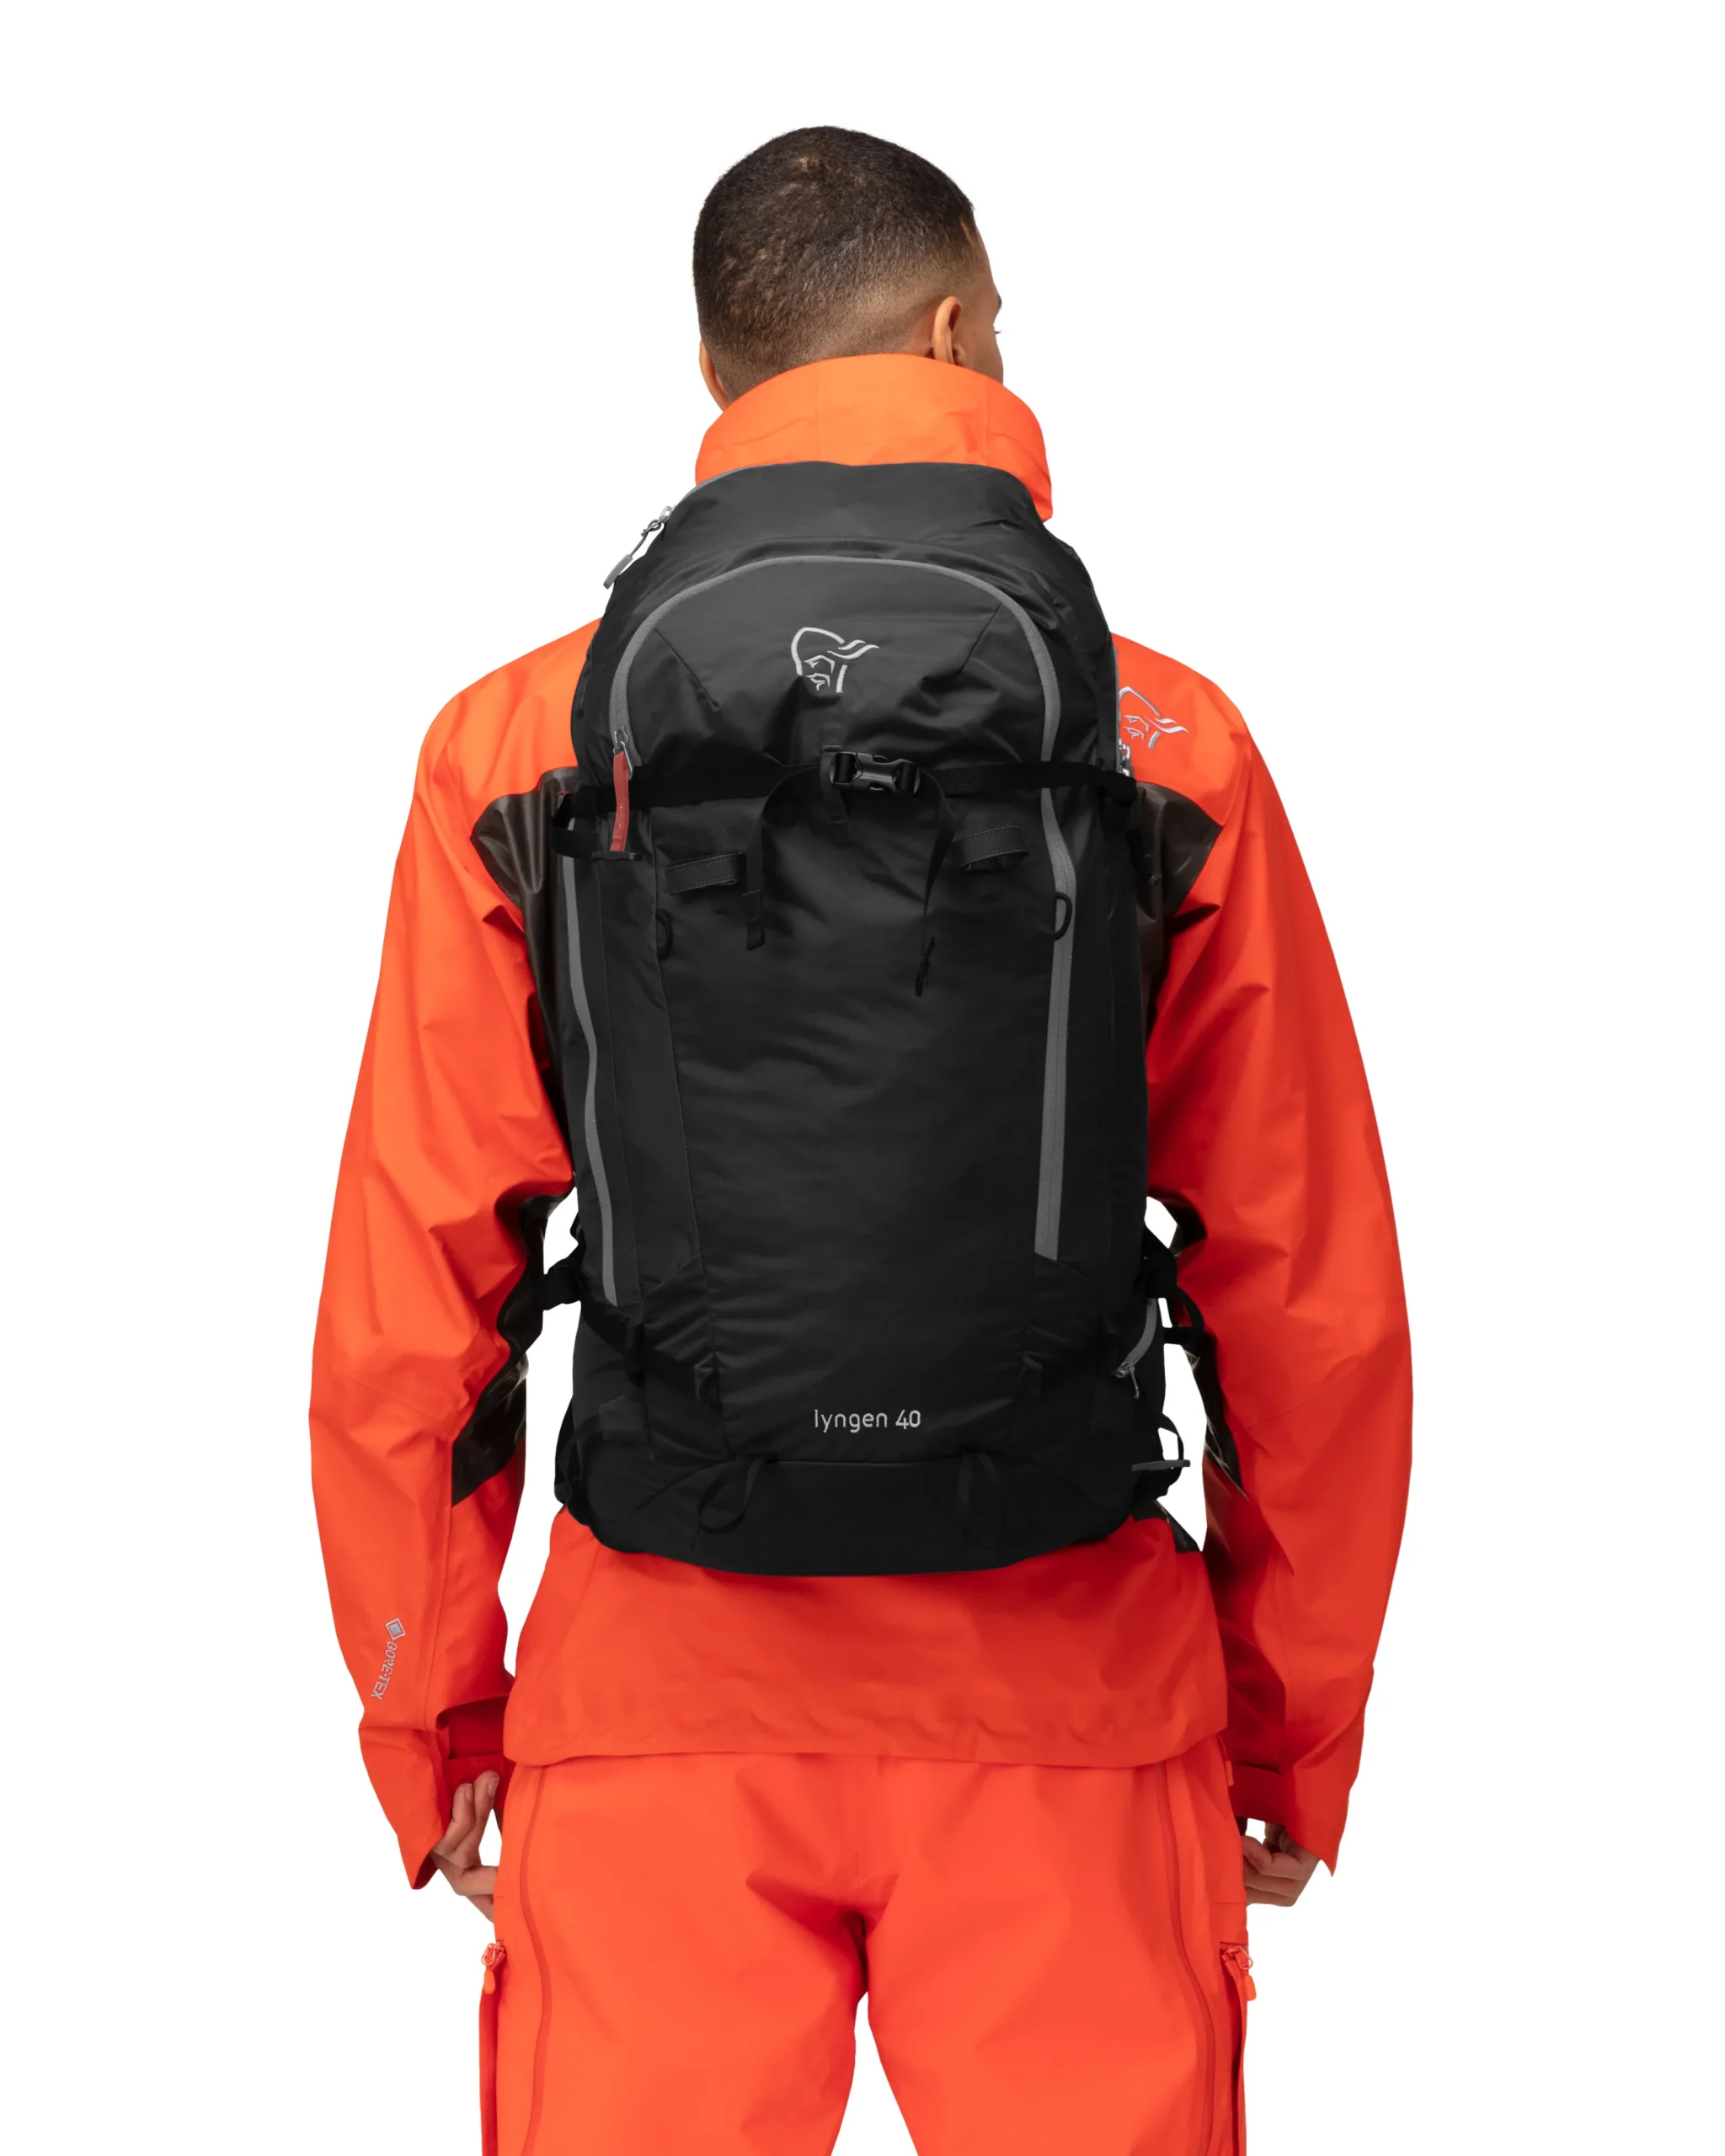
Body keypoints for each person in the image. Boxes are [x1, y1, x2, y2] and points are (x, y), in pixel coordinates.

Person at [312, 125, 1411, 2155]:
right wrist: (1285, 1734)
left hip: (655, 1699)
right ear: (958, 331)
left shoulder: (518, 748)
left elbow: (416, 1297)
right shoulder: (1165, 745)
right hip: (1077, 1705)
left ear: (718, 375)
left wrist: (430, 1711)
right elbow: (1306, 1303)